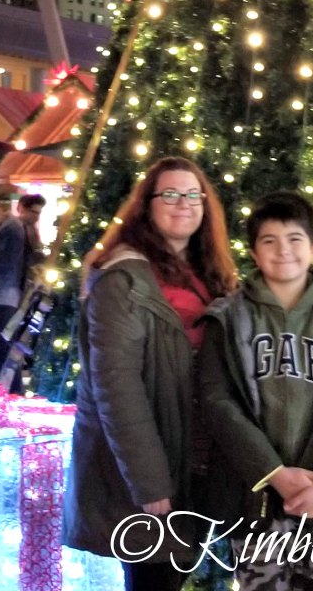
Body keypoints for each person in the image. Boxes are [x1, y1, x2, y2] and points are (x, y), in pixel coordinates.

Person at [62, 156, 238, 591]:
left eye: (194, 195)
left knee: (174, 573)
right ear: (148, 205)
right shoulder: (121, 279)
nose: (184, 203)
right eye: (171, 194)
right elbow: (116, 386)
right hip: (149, 463)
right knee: (154, 579)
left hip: (193, 452)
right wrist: (149, 479)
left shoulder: (208, 274)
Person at [199, 190, 313, 591]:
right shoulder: (227, 319)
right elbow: (217, 402)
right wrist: (273, 473)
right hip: (256, 504)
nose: (283, 251)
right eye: (269, 240)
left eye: (295, 239)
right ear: (253, 251)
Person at [0, 182, 25, 387]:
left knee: (0, 347)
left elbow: (0, 262)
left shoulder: (11, 228)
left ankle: (10, 392)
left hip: (2, 296)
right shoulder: (5, 228)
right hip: (1, 295)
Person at [16, 192, 46, 291]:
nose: (36, 217)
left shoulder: (33, 230)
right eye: (33, 212)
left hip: (25, 282)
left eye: (39, 213)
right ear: (22, 208)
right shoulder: (14, 228)